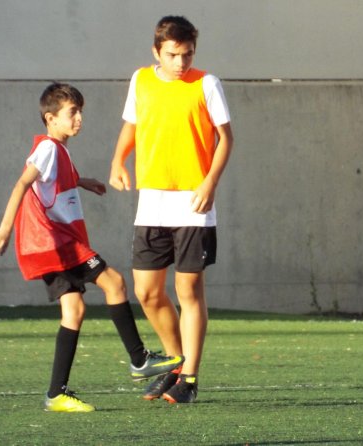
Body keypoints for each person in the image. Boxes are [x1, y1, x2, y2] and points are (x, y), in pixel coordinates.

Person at [0, 83, 183, 413]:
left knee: (74, 312)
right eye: (72, 113)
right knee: (115, 282)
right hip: (57, 244)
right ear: (51, 118)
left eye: (80, 111)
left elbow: (55, 180)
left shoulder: (57, 151)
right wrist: (4, 229)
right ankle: (138, 359)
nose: (79, 118)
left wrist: (83, 182)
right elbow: (24, 182)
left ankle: (56, 394)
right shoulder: (48, 149)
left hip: (54, 247)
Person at [109, 16, 233, 404]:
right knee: (146, 292)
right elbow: (132, 124)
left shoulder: (206, 83)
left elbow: (226, 138)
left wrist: (210, 182)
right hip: (152, 202)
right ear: (157, 52)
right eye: (173, 55)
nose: (181, 63)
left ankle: (190, 380)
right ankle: (176, 364)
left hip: (193, 203)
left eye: (187, 55)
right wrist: (118, 160)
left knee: (188, 291)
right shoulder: (140, 80)